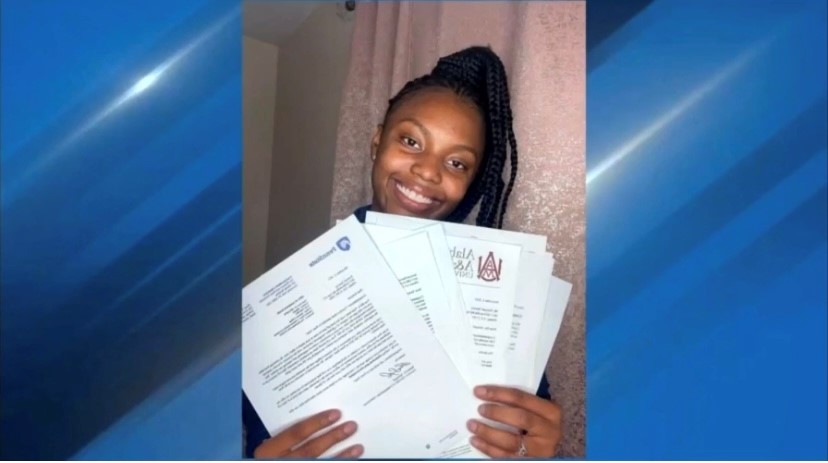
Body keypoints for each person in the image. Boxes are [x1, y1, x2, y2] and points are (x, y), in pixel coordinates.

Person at [243, 46, 561, 459]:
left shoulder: (499, 298)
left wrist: (537, 451)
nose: (428, 171)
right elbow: (257, 434)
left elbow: (524, 429)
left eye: (457, 163)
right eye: (411, 141)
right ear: (377, 142)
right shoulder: (291, 297)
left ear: (472, 182)